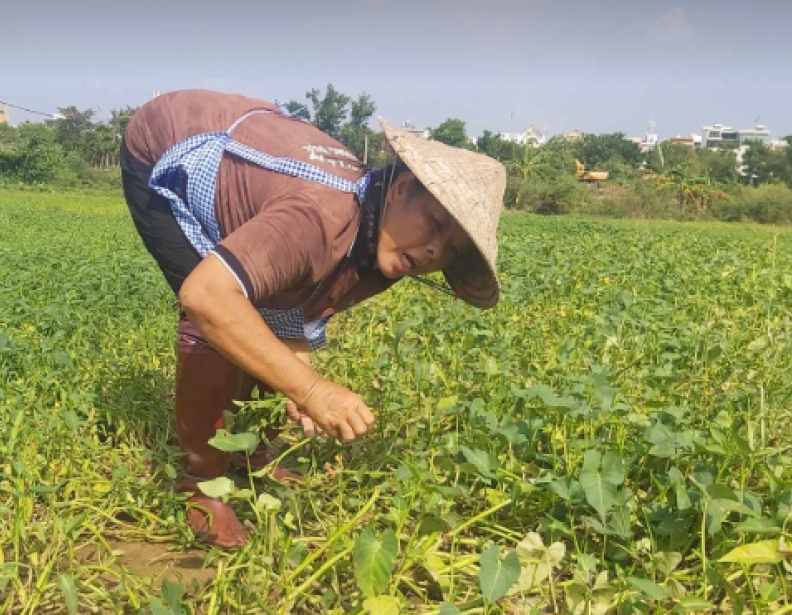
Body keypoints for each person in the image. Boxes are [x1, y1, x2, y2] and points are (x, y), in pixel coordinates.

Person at [121, 90, 506, 548]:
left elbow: (296, 310)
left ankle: (253, 453)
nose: (432, 252)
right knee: (217, 319)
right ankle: (201, 484)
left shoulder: (383, 249)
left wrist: (297, 377)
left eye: (451, 251)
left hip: (252, 143)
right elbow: (208, 298)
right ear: (402, 190)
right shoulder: (319, 217)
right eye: (435, 225)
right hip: (167, 143)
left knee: (259, 309)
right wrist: (311, 390)